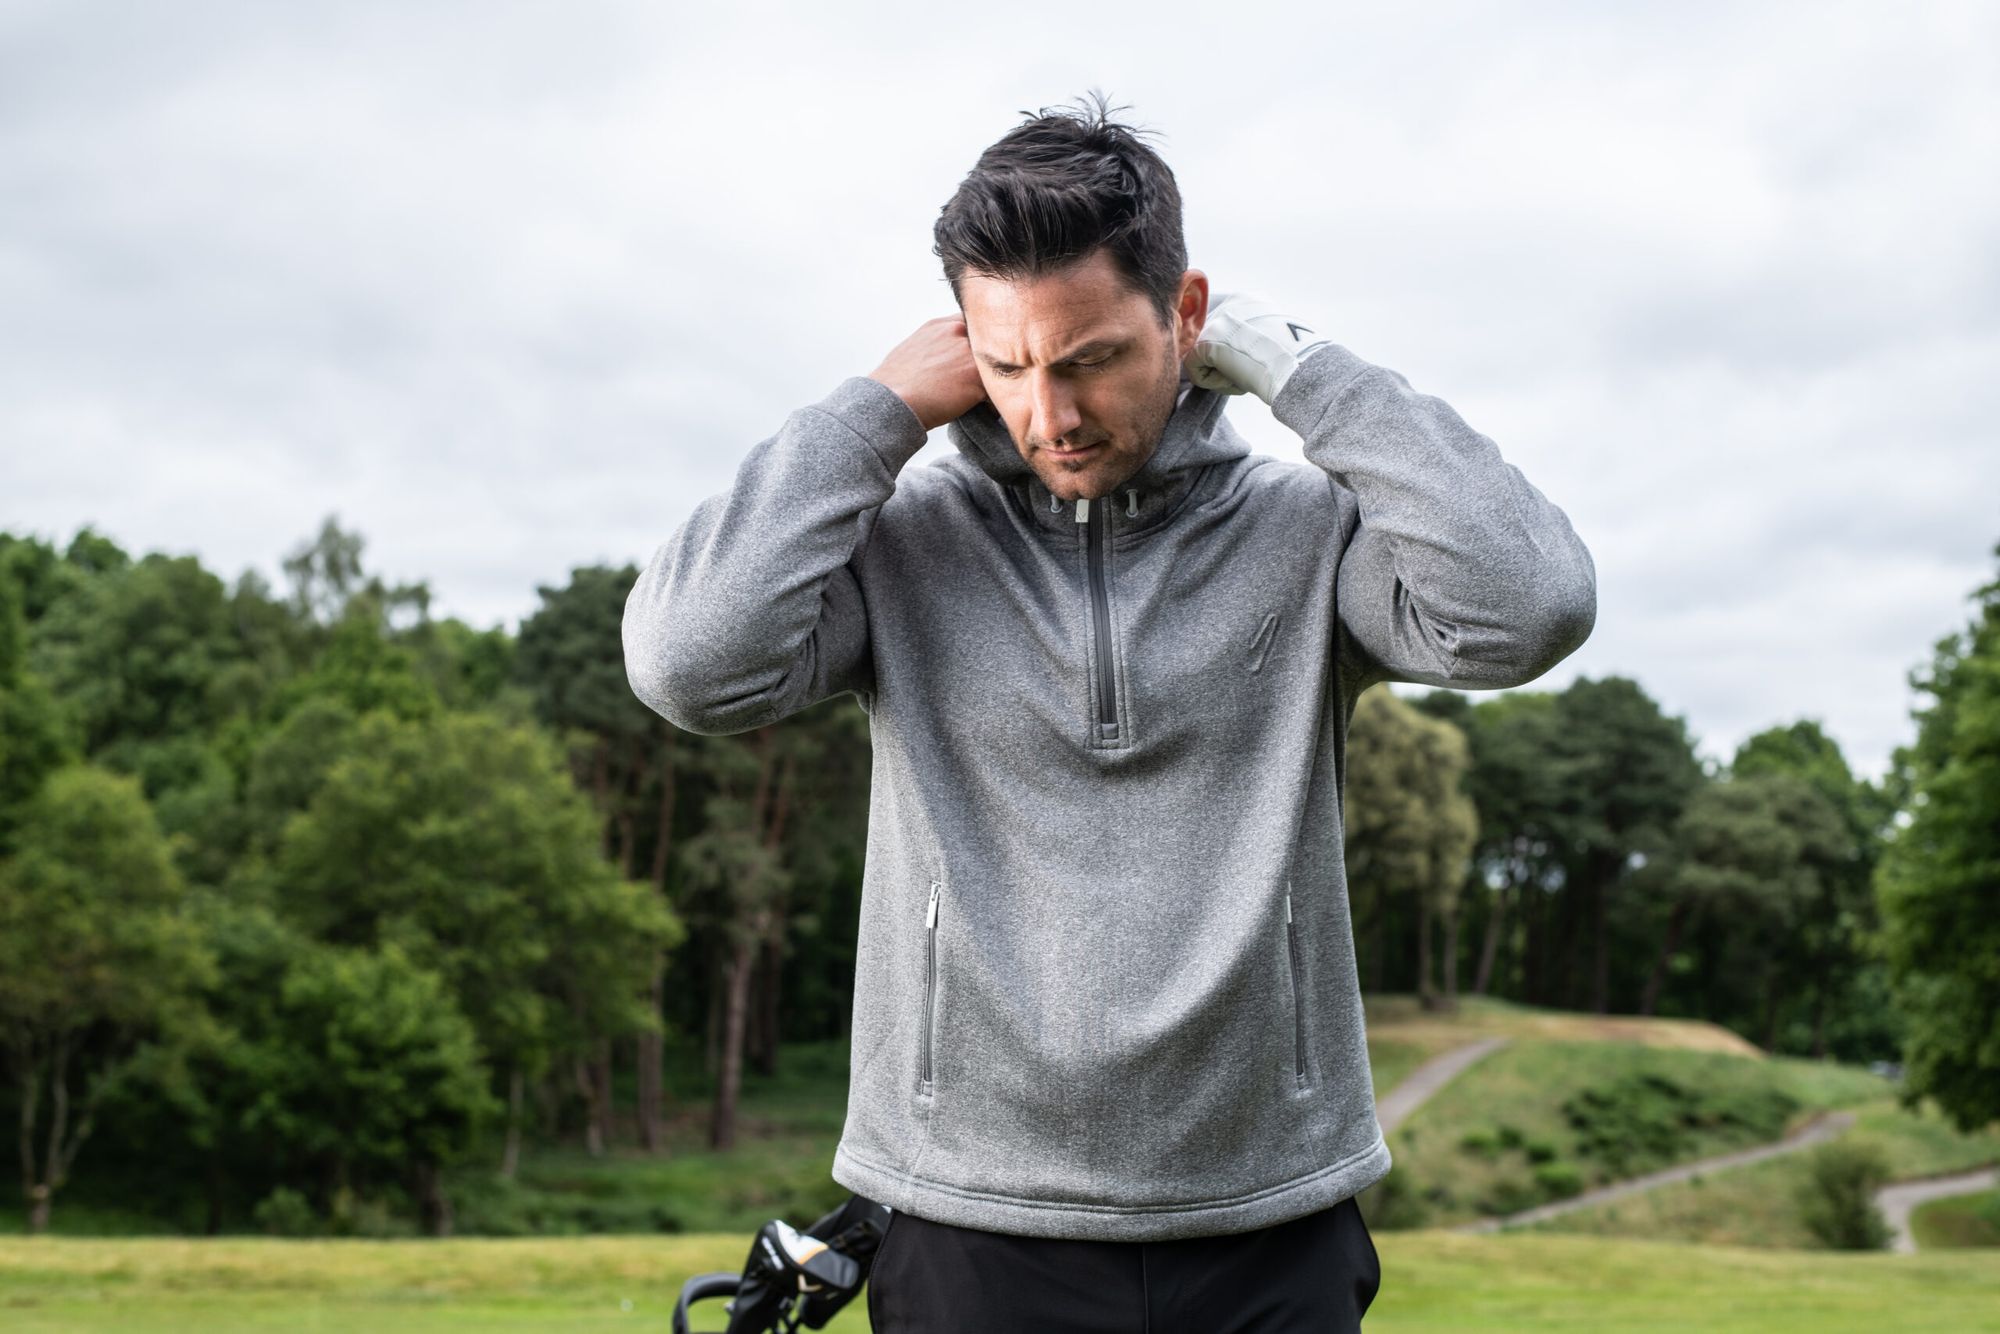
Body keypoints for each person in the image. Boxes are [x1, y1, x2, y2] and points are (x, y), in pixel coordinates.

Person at [623, 90, 1597, 1332]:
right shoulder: (902, 544)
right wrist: (874, 411)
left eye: (1089, 359)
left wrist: (1301, 368)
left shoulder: (1308, 538)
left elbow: (1528, 604)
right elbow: (686, 662)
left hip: (1267, 1220)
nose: (1050, 414)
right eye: (1006, 364)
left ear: (1184, 316)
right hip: (968, 1220)